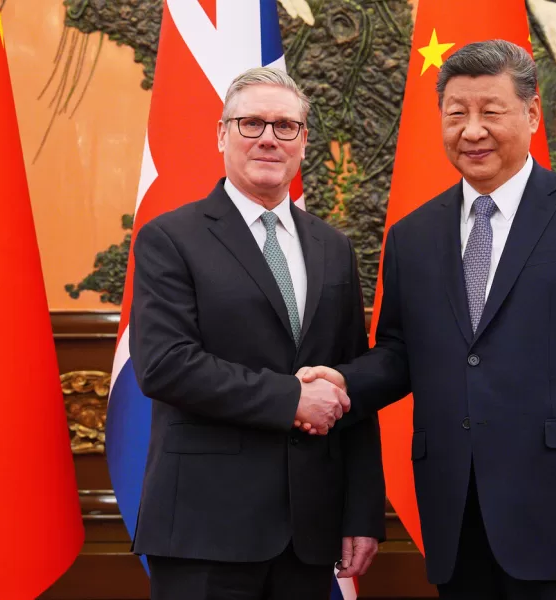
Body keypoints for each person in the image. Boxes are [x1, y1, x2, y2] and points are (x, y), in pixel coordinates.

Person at [300, 40, 556, 599]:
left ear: (531, 114)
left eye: (490, 111)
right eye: (456, 113)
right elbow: (402, 351)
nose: (471, 130)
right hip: (460, 517)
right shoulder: (413, 235)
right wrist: (342, 382)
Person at [128, 67, 386, 599]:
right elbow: (164, 365)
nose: (269, 138)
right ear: (222, 135)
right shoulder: (170, 238)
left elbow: (349, 379)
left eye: (285, 126)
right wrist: (292, 398)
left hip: (309, 532)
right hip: (205, 528)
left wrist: (361, 511)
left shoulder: (333, 248)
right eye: (251, 123)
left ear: (303, 142)